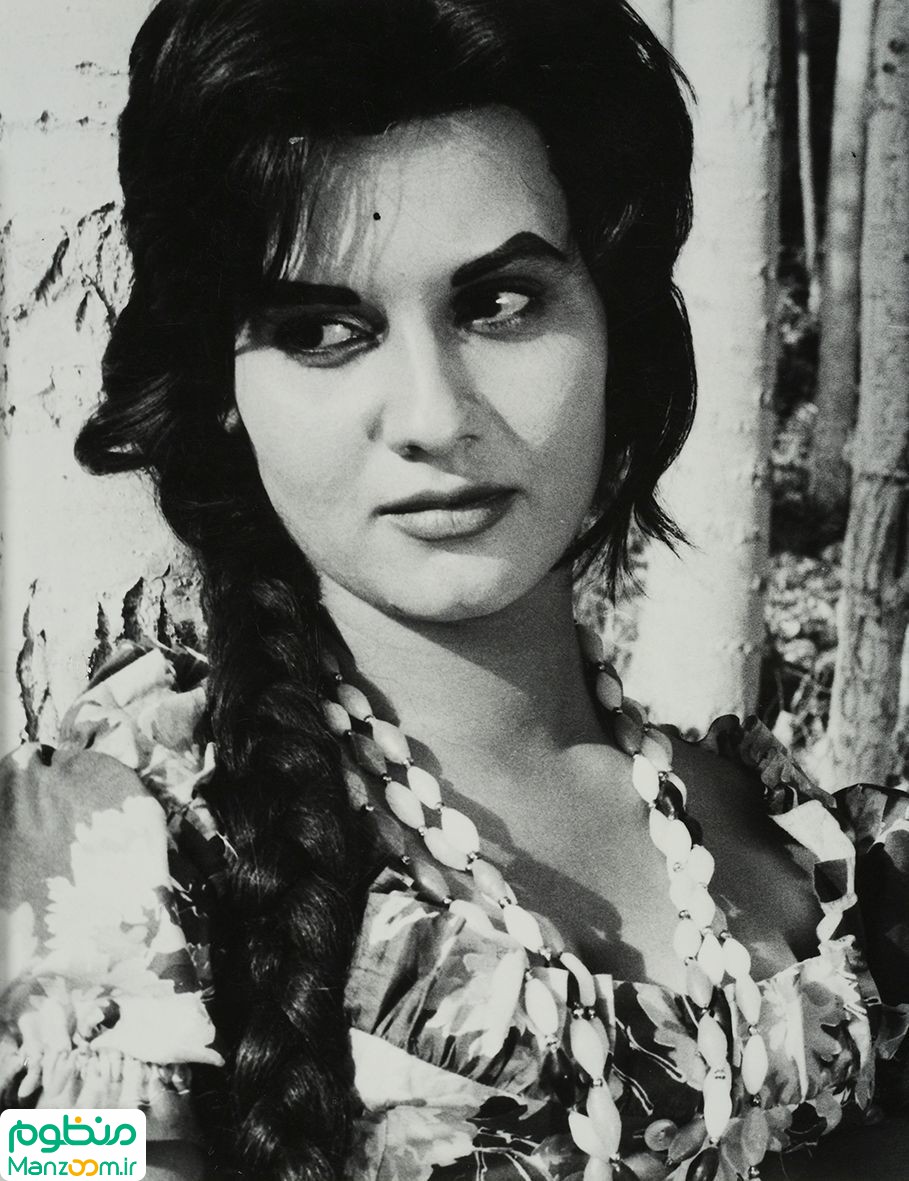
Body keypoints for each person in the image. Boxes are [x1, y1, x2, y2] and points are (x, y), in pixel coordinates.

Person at [1, 1, 906, 1179]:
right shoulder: (107, 850)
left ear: (616, 327)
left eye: (500, 303)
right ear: (224, 388)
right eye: (322, 328)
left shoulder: (807, 854)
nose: (432, 416)